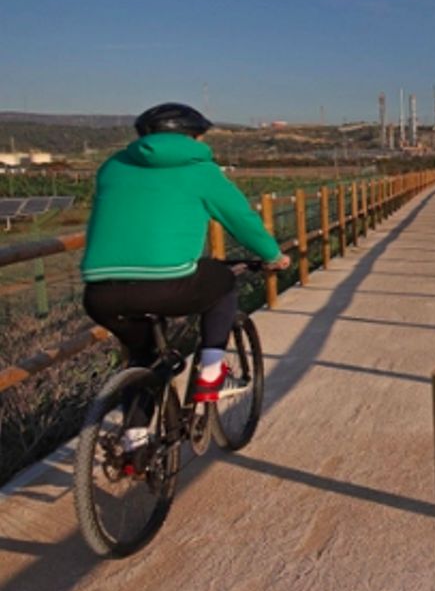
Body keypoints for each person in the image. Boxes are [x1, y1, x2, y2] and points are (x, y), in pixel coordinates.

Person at [81, 104, 290, 421]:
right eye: (200, 137)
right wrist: (274, 256)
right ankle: (210, 373)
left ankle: (134, 441)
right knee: (222, 280)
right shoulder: (201, 171)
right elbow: (241, 220)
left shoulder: (111, 167)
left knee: (143, 358)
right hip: (168, 286)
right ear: (190, 136)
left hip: (100, 293)